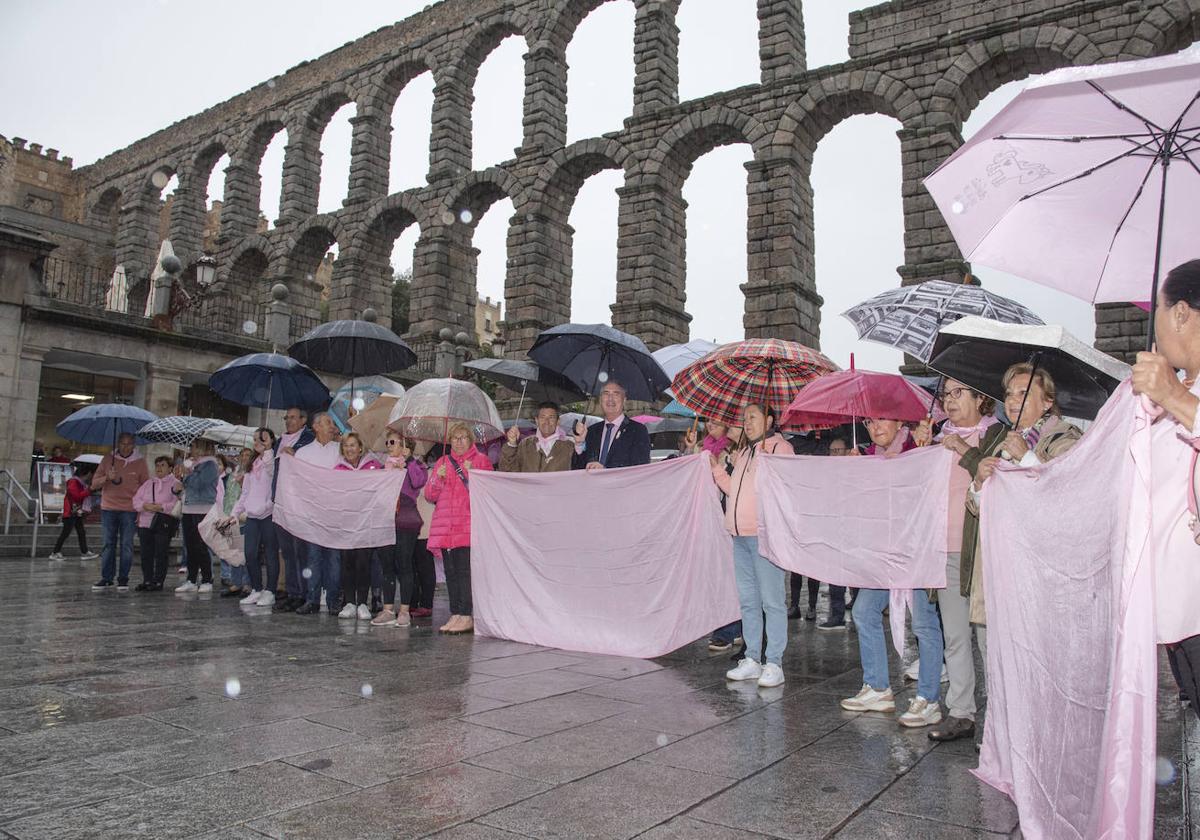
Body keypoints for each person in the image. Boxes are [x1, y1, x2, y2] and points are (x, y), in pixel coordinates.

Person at [841, 417, 945, 728]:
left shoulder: (918, 445)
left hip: (918, 550)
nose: (875, 428)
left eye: (881, 421)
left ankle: (928, 699)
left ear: (899, 421)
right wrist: (855, 472)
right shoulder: (869, 456)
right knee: (863, 611)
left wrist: (925, 451)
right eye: (869, 422)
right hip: (885, 554)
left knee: (925, 624)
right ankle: (877, 688)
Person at [1130, 259, 1200, 715]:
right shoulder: (1181, 391)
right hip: (1177, 611)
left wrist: (1173, 396)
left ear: (1178, 313)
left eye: (1155, 309)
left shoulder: (1182, 394)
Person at [963, 363, 1082, 626]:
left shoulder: (1064, 436)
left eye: (1023, 393)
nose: (1013, 401)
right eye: (1008, 394)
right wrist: (979, 483)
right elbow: (979, 507)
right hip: (1004, 570)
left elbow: (1069, 489)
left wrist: (1026, 457)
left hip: (1042, 571)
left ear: (1048, 401)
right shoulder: (1004, 444)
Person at [921, 380, 998, 742]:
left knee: (986, 637)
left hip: (980, 551)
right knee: (954, 635)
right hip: (945, 550)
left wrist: (962, 447)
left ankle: (998, 716)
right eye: (947, 394)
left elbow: (995, 477)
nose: (949, 401)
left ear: (980, 398)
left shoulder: (995, 435)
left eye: (959, 393)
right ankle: (961, 712)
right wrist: (918, 450)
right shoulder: (936, 437)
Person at [708, 402, 792, 688]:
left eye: (753, 417)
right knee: (748, 600)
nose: (747, 422)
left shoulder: (780, 449)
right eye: (745, 418)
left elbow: (785, 489)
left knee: (772, 601)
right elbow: (733, 489)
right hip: (739, 535)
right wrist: (717, 469)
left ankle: (775, 662)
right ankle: (752, 658)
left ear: (769, 420)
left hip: (764, 535)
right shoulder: (745, 451)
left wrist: (773, 464)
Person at [424, 422, 493, 634]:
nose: (459, 442)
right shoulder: (443, 462)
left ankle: (467, 613)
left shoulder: (481, 460)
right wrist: (437, 478)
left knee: (465, 572)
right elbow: (429, 495)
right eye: (455, 438)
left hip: (467, 526)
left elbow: (489, 493)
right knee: (450, 572)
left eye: (463, 437)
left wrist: (475, 475)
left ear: (470, 440)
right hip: (446, 528)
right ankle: (456, 612)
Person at [374, 433, 428, 627]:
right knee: (387, 565)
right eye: (387, 442)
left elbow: (418, 482)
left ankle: (404, 610)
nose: (389, 445)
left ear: (406, 445)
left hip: (405, 520)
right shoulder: (383, 468)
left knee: (405, 564)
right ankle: (388, 609)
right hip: (386, 520)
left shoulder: (415, 465)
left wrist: (409, 463)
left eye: (393, 442)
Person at [294, 412, 342, 616]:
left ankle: (333, 600)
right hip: (312, 512)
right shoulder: (303, 453)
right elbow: (297, 483)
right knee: (313, 558)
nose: (332, 426)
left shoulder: (340, 450)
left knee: (334, 558)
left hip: (335, 513)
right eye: (328, 422)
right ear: (316, 426)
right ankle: (312, 598)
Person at [225, 429, 279, 607]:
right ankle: (256, 589)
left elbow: (270, 467)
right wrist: (234, 513)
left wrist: (268, 447)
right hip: (252, 517)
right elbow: (245, 492)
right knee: (249, 553)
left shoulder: (271, 459)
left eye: (261, 439)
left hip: (268, 514)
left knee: (270, 554)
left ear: (270, 440)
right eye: (255, 439)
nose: (257, 442)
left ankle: (270, 590)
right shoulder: (252, 463)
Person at [90, 433, 150, 592]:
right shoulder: (107, 459)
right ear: (117, 444)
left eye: (129, 444)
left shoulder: (140, 462)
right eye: (122, 443)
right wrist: (107, 478)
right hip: (109, 508)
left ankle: (123, 579)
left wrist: (140, 507)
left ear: (134, 445)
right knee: (108, 544)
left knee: (127, 545)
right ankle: (106, 578)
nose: (125, 447)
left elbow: (146, 487)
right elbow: (94, 484)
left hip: (129, 510)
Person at [333, 432, 383, 620]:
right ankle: (349, 603)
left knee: (363, 563)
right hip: (346, 523)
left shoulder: (374, 466)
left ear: (360, 447)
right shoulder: (337, 469)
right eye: (346, 445)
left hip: (366, 523)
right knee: (347, 563)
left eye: (353, 445)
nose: (349, 449)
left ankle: (362, 603)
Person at [272, 406, 315, 612]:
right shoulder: (279, 441)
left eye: (292, 418)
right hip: (280, 501)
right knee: (287, 551)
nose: (288, 421)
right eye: (286, 417)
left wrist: (296, 453)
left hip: (298, 503)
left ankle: (304, 593)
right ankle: (291, 591)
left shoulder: (307, 439)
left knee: (301, 552)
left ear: (303, 420)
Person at [174, 439, 220, 593]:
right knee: (190, 545)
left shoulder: (210, 465)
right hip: (188, 508)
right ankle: (191, 579)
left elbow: (199, 483)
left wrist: (187, 475)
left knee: (200, 545)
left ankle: (207, 579)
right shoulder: (193, 465)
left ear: (202, 447)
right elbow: (186, 485)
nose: (191, 449)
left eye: (193, 446)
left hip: (203, 509)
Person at [572, 380, 651, 470]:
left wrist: (606, 470)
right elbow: (577, 469)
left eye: (616, 394)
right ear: (600, 400)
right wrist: (579, 443)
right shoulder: (591, 431)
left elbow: (640, 469)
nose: (610, 398)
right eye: (606, 394)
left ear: (624, 400)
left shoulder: (638, 431)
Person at [132, 456, 179, 591]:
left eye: (162, 465)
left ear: (170, 468)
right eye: (157, 465)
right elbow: (136, 500)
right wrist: (145, 506)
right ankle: (147, 580)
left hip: (163, 523)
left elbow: (177, 503)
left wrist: (161, 507)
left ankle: (158, 581)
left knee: (161, 552)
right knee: (146, 553)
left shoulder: (175, 484)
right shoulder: (148, 483)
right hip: (145, 522)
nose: (159, 468)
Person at [500, 402, 574, 472]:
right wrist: (512, 444)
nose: (547, 422)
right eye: (542, 417)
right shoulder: (525, 445)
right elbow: (509, 471)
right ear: (536, 420)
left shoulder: (570, 445)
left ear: (558, 421)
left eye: (551, 417)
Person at [49, 462, 97, 561]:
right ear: (88, 473)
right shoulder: (73, 482)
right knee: (66, 532)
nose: (92, 477)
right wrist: (89, 490)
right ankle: (55, 552)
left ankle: (84, 552)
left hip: (77, 511)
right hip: (70, 511)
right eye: (92, 474)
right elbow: (76, 496)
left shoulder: (81, 483)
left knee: (81, 532)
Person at [217, 452, 250, 597]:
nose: (244, 458)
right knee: (234, 551)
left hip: (244, 516)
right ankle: (236, 582)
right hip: (230, 515)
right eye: (242, 454)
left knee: (246, 553)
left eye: (248, 455)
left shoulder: (252, 472)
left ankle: (248, 583)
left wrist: (242, 483)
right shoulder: (233, 472)